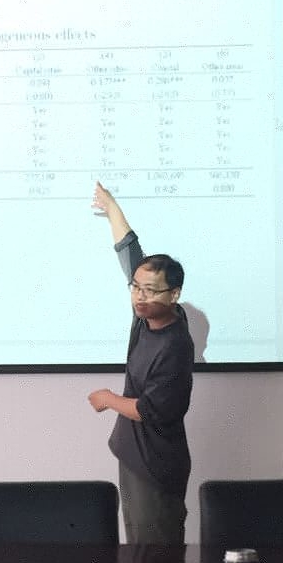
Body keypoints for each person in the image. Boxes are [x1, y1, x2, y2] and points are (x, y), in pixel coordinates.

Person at [88, 181, 195, 544]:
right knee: (138, 551)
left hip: (155, 464)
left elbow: (151, 410)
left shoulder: (175, 346)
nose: (140, 296)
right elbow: (130, 252)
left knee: (154, 557)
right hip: (134, 456)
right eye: (136, 288)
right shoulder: (146, 315)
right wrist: (112, 208)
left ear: (174, 294)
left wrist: (107, 399)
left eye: (150, 290)